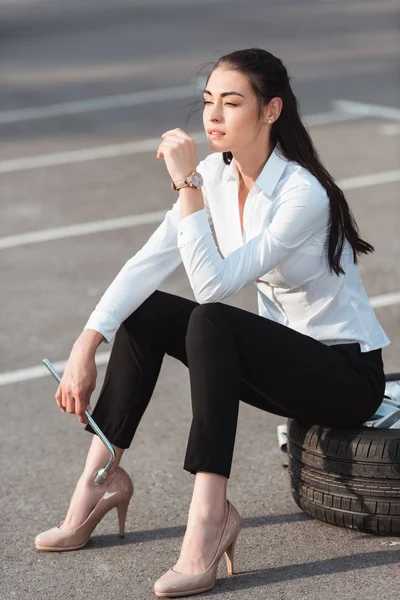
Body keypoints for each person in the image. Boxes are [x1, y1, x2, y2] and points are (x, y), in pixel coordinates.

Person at [34, 47, 390, 598]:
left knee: (212, 321)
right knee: (147, 309)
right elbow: (148, 263)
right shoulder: (214, 178)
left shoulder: (302, 193)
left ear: (270, 111)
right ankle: (99, 481)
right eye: (207, 103)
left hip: (344, 377)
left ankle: (209, 519)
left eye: (231, 102)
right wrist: (87, 342)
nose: (213, 117)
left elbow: (213, 288)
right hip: (286, 366)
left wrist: (186, 188)